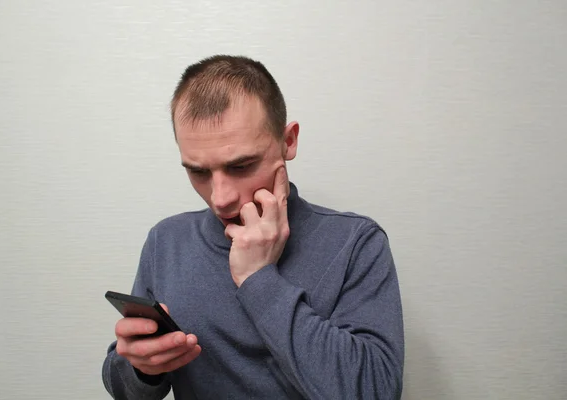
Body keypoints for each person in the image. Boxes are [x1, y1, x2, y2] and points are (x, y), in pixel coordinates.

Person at [102, 55, 404, 399]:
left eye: (241, 165)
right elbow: (124, 387)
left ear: (288, 141)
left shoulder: (355, 243)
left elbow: (376, 392)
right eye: (198, 171)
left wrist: (259, 279)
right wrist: (143, 369)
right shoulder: (166, 242)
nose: (220, 199)